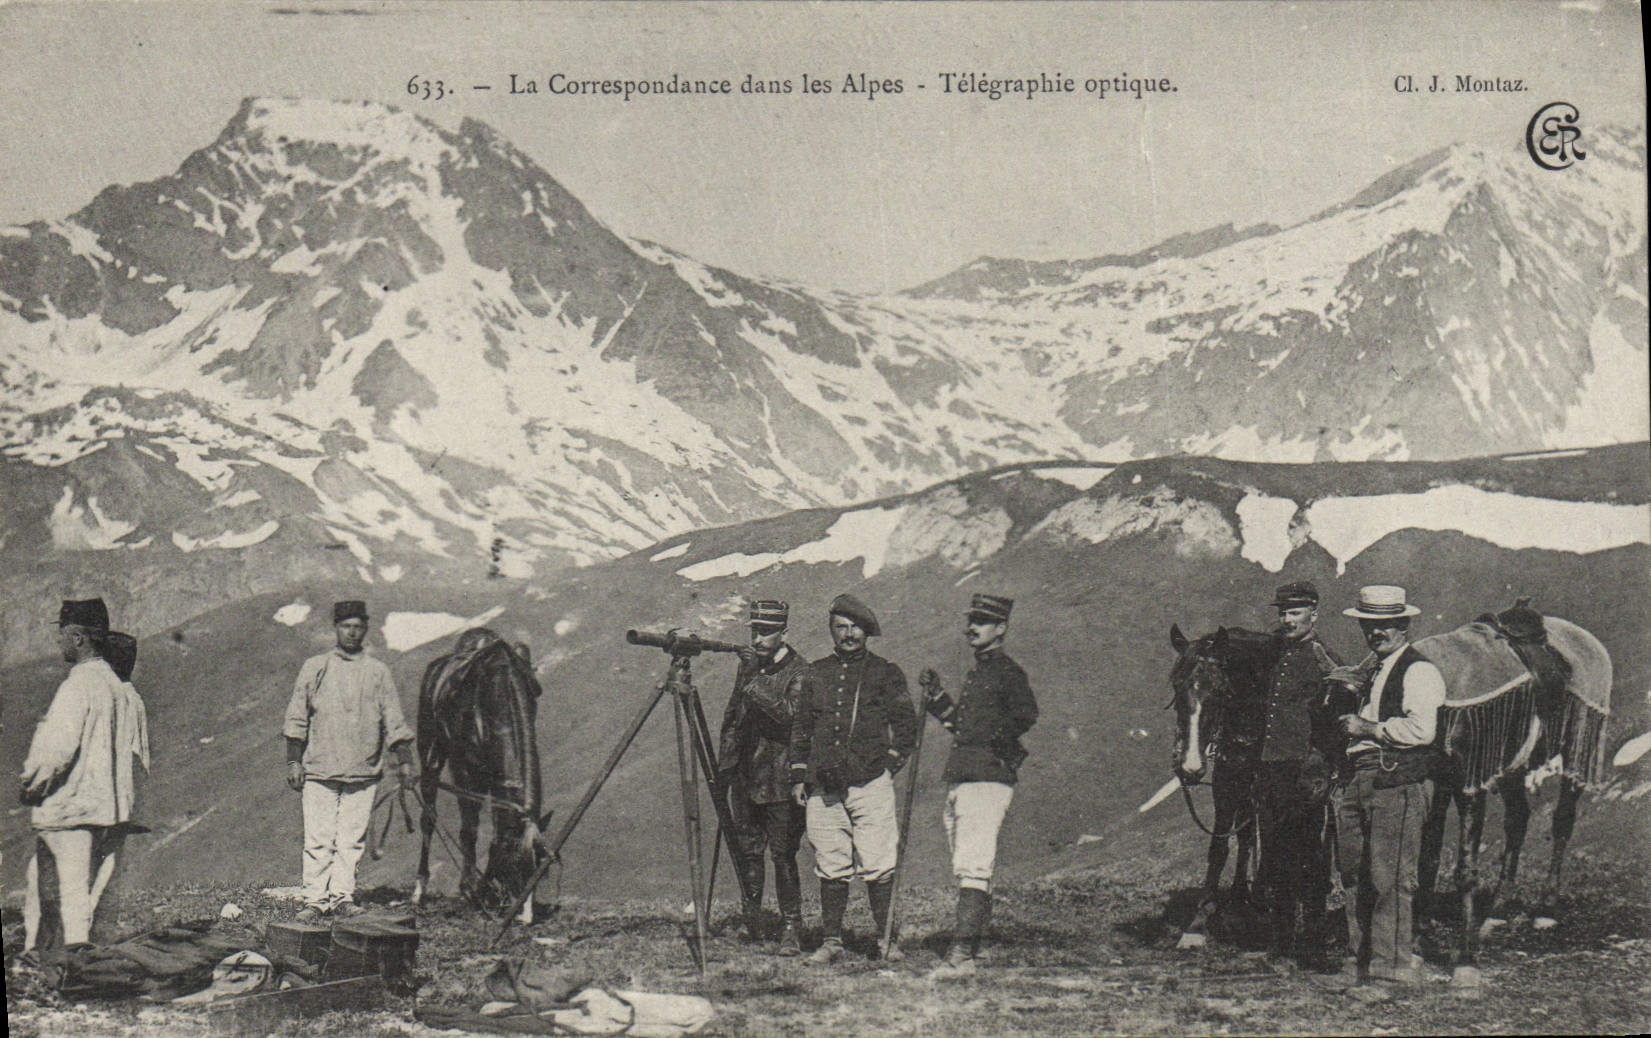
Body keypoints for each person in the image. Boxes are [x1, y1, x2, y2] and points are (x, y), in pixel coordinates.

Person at [1315, 585, 1446, 1002]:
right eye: (1370, 624)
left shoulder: (1418, 670)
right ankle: (1358, 964)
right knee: (1354, 873)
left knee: (1389, 877)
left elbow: (1423, 730)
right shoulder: (1372, 668)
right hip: (1359, 775)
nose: (1377, 632)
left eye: (1386, 624)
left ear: (1403, 624)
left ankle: (1392, 974)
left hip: (1396, 778)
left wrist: (1368, 728)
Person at [788, 594, 917, 965]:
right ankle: (832, 941)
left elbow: (906, 726)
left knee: (878, 863)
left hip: (870, 784)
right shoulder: (816, 672)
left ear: (867, 631)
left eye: (855, 628)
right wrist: (799, 774)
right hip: (822, 787)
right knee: (831, 864)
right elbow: (802, 728)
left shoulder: (885, 672)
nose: (848, 635)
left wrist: (888, 767)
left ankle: (887, 940)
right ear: (831, 631)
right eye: (840, 628)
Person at [920, 593, 1038, 979]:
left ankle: (961, 953)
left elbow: (1025, 714)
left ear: (1001, 628)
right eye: (971, 620)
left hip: (987, 777)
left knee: (973, 864)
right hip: (966, 775)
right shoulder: (980, 671)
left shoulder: (1007, 672)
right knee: (966, 861)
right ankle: (979, 944)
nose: (973, 627)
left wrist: (995, 741)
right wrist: (937, 698)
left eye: (983, 621)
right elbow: (962, 725)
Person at [20, 599, 145, 953]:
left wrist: (31, 785)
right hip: (107, 811)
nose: (58, 641)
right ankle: (74, 964)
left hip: (69, 811)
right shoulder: (118, 688)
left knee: (52, 897)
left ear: (77, 638)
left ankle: (50, 965)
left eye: (61, 634)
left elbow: (54, 752)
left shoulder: (76, 686)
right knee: (83, 897)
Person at [283, 600, 415, 922]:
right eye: (346, 626)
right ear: (336, 628)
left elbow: (394, 719)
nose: (352, 632)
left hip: (363, 770)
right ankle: (315, 900)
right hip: (319, 769)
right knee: (318, 839)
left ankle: (342, 897)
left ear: (365, 629)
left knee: (351, 841)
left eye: (358, 626)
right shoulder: (316, 667)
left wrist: (405, 761)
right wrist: (294, 761)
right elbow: (297, 717)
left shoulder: (377, 672)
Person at [1254, 581, 1341, 965]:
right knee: (1275, 854)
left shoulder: (1323, 658)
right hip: (1273, 768)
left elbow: (1337, 715)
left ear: (1313, 614)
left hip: (1305, 773)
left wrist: (1322, 769)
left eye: (1294, 612)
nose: (1286, 619)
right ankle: (1281, 943)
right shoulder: (1277, 654)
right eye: (1282, 613)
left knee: (1309, 858)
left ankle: (1315, 944)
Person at [717, 600, 809, 955]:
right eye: (754, 631)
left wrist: (754, 683)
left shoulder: (799, 672)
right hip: (747, 778)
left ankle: (791, 928)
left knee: (783, 855)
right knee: (748, 851)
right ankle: (752, 920)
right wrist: (726, 768)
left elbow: (791, 718)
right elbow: (733, 718)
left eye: (766, 632)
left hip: (781, 780)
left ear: (784, 633)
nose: (757, 639)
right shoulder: (751, 669)